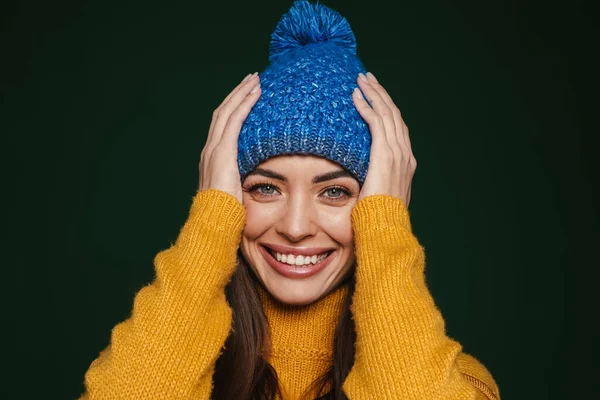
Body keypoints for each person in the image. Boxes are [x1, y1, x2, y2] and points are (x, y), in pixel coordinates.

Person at [79, 1, 500, 399]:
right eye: (265, 188)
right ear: (226, 195)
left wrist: (387, 232)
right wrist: (208, 225)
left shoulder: (459, 384)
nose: (295, 227)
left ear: (381, 200)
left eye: (335, 191)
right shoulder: (147, 361)